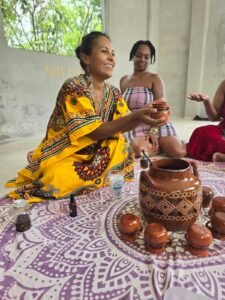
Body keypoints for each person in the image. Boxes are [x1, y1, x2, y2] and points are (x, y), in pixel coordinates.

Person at [5, 31, 166, 202]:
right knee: (54, 178)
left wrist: (145, 116)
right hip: (71, 151)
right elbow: (94, 132)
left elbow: (124, 124)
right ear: (86, 58)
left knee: (124, 150)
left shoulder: (113, 92)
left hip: (98, 150)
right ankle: (52, 165)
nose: (111, 58)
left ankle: (93, 174)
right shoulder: (74, 86)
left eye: (113, 53)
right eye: (104, 52)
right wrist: (138, 115)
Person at [120, 40, 186, 158]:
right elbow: (123, 108)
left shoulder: (155, 78)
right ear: (132, 56)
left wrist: (154, 131)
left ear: (150, 59)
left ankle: (167, 142)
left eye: (147, 57)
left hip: (156, 121)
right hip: (135, 122)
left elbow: (162, 107)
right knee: (139, 151)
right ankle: (157, 146)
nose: (142, 60)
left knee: (178, 153)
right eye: (139, 55)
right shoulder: (124, 80)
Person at [187, 79, 225, 162]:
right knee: (200, 133)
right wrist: (206, 101)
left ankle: (222, 157)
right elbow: (214, 118)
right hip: (223, 132)